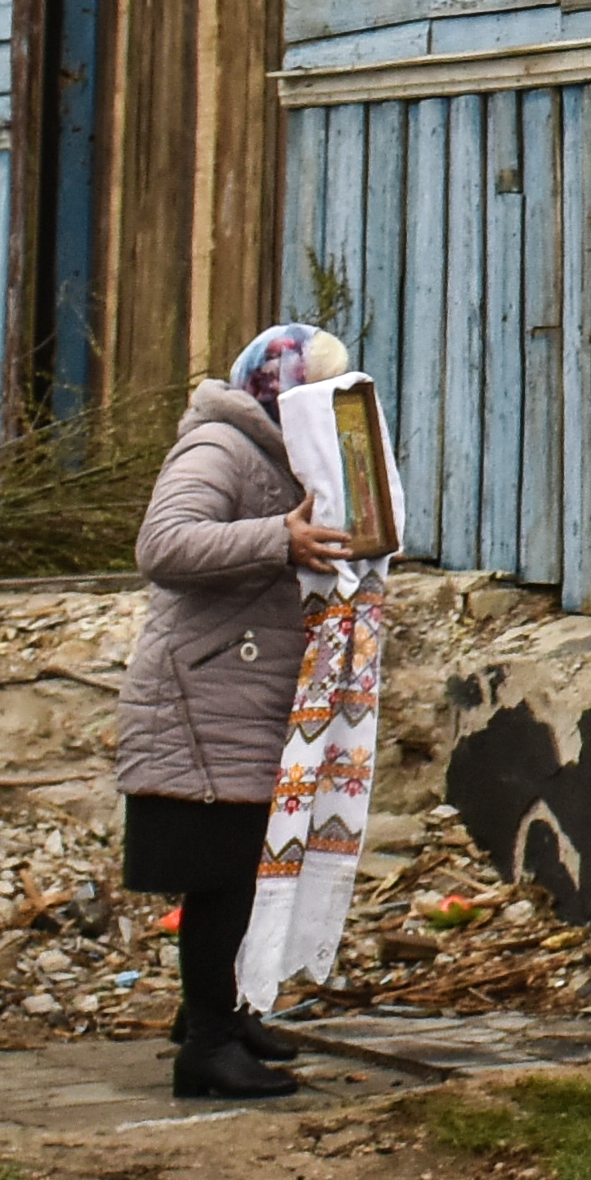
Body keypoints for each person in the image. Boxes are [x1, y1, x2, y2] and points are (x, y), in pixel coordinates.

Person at [127, 326, 348, 1102]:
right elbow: (163, 544)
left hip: (244, 691)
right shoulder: (218, 447)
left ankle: (223, 1014)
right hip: (205, 692)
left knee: (252, 865)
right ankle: (208, 1050)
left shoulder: (279, 458)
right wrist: (277, 539)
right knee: (221, 873)